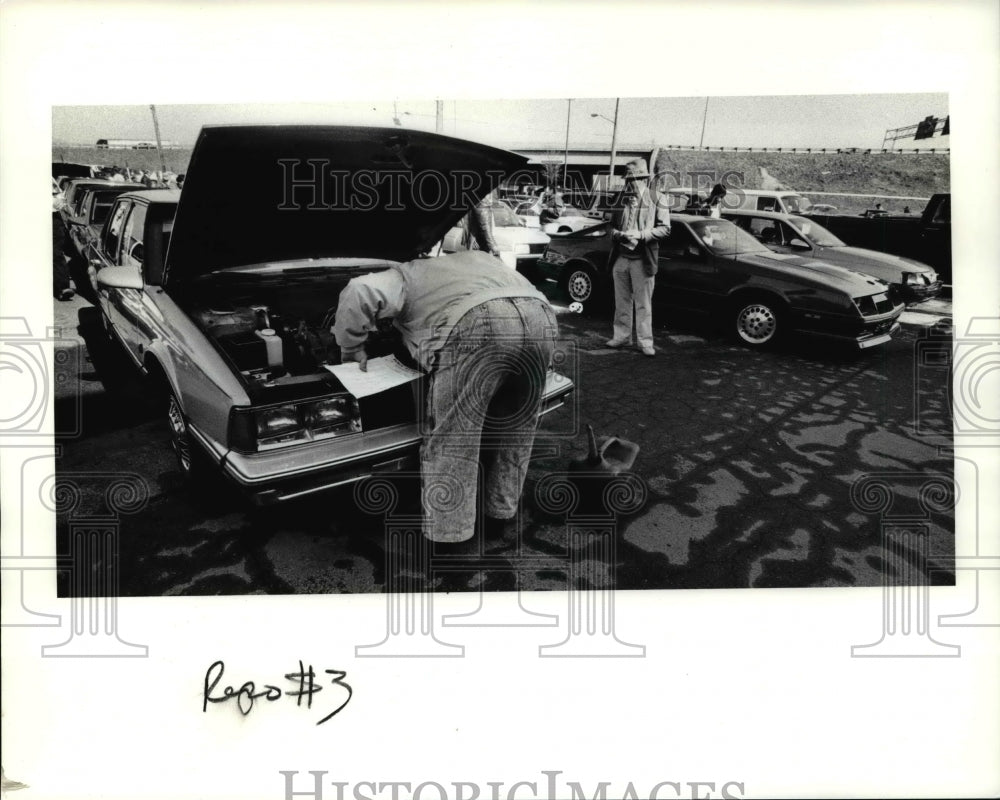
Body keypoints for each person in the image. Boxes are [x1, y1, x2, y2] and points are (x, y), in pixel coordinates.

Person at [333, 249, 557, 544]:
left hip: (480, 326)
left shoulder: (406, 274)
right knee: (517, 429)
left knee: (455, 437)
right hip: (541, 318)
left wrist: (352, 348)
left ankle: (450, 536)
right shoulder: (474, 258)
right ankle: (499, 516)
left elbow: (359, 290)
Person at [605, 158, 671, 357]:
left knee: (643, 304)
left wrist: (641, 235)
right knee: (621, 301)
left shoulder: (657, 198)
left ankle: (645, 342)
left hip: (643, 259)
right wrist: (617, 234)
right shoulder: (620, 199)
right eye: (627, 180)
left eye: (632, 180)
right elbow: (610, 226)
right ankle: (622, 336)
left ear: (643, 179)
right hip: (621, 258)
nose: (628, 184)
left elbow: (665, 229)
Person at [461, 192, 500, 257]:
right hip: (480, 242)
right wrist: (493, 246)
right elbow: (484, 223)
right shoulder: (483, 197)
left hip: (477, 239)